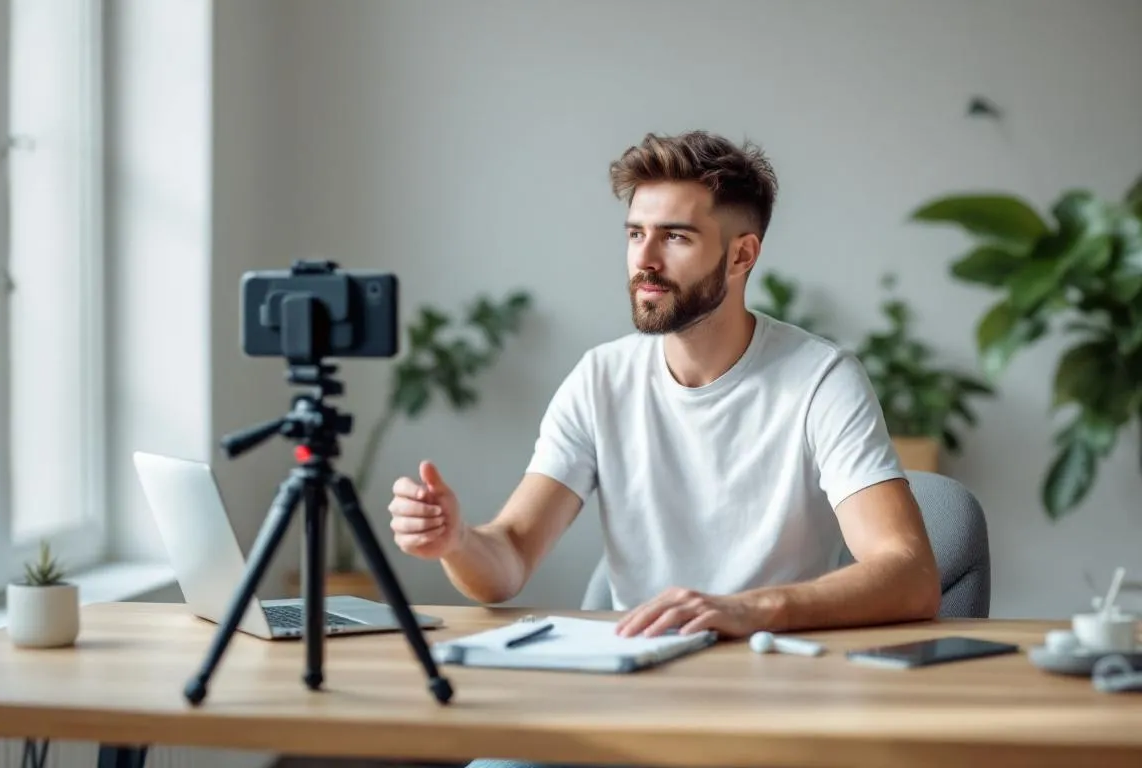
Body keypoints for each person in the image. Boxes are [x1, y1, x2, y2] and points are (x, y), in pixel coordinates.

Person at [387, 129, 941, 641]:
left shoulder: (821, 380)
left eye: (675, 237)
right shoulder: (600, 379)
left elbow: (909, 573)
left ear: (741, 255)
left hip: (772, 680)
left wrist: (750, 610)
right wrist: (457, 541)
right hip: (637, 681)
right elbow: (508, 558)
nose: (644, 261)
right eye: (636, 234)